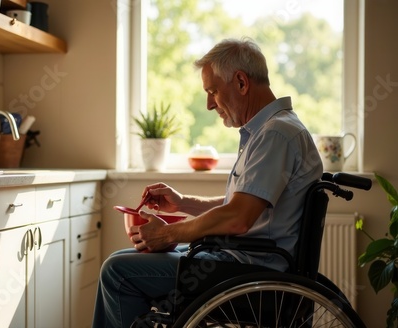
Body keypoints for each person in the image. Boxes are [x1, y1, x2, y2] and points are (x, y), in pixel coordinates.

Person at [92, 37, 323, 328]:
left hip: (250, 272)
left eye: (213, 91)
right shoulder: (270, 131)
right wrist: (184, 202)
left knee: (117, 271)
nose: (209, 104)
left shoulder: (275, 135)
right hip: (240, 261)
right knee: (121, 259)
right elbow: (242, 205)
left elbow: (238, 218)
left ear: (241, 82)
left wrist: (168, 234)